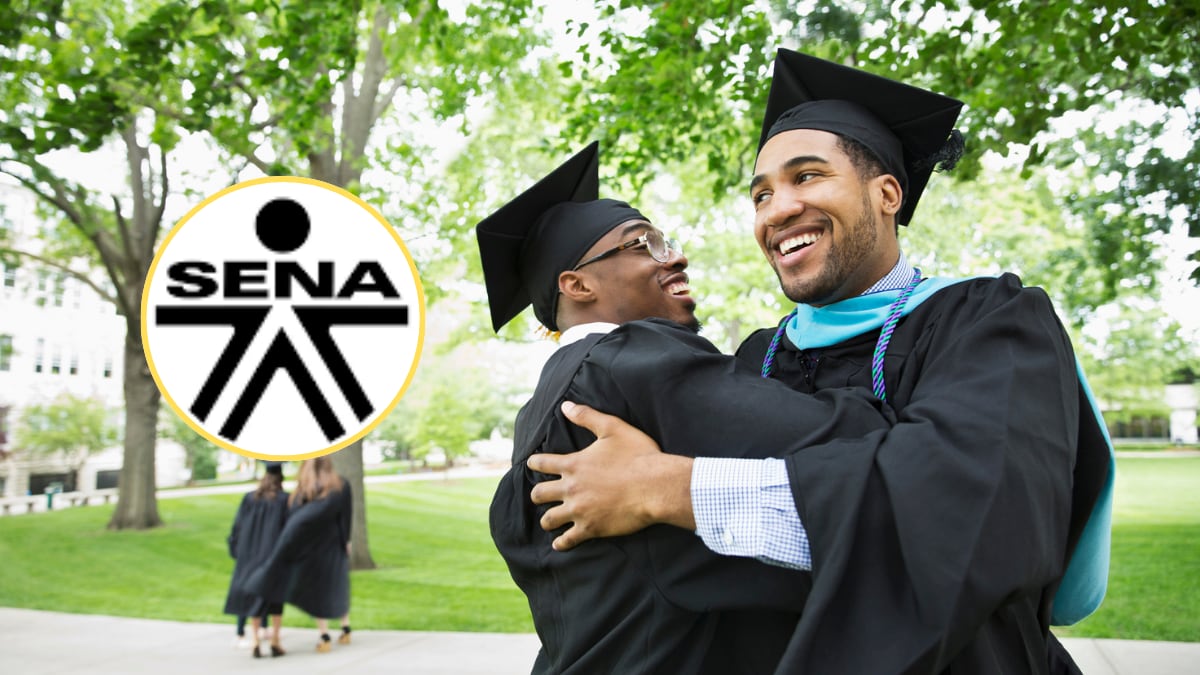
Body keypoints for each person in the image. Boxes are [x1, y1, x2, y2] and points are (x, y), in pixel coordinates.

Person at [527, 50, 1114, 675]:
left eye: (807, 176)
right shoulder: (759, 357)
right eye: (761, 195)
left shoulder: (990, 320)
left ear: (887, 192)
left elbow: (973, 516)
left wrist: (668, 487)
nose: (776, 210)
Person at [478, 141, 897, 673]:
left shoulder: (542, 411)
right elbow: (843, 440)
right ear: (577, 284)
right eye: (642, 245)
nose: (674, 255)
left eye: (665, 240)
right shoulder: (629, 362)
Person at [245, 456, 353, 653]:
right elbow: (345, 515)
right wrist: (346, 540)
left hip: (313, 545)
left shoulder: (304, 488)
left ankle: (324, 634)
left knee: (319, 587)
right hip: (333, 542)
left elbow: (295, 517)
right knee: (337, 584)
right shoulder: (341, 485)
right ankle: (345, 627)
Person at [223, 461, 289, 658]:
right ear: (281, 479)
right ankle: (275, 640)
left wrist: (237, 551)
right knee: (276, 599)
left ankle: (255, 639)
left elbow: (237, 527)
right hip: (274, 557)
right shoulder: (285, 500)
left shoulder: (249, 498)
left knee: (254, 598)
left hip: (251, 556)